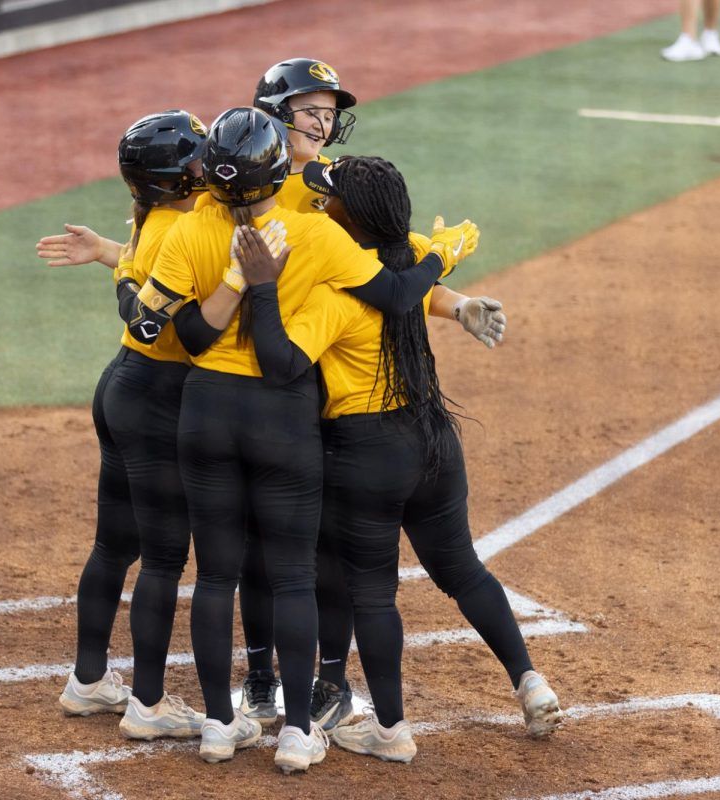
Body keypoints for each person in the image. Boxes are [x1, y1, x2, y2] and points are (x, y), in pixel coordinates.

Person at [126, 107, 477, 773]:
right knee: (292, 575)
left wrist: (227, 285)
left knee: (216, 575)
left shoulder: (186, 231)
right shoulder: (314, 232)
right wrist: (442, 253)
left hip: (203, 414)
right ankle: (295, 733)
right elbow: (399, 293)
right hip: (282, 418)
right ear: (279, 172)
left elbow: (160, 333)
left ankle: (219, 726)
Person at [232, 155, 560, 764]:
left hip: (367, 453)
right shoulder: (407, 256)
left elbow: (280, 363)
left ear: (351, 220)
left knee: (374, 595)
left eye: (331, 201)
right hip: (435, 438)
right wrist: (453, 288)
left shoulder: (336, 293)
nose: (321, 205)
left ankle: (391, 730)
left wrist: (262, 291)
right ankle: (529, 680)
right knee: (464, 570)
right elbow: (421, 275)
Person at [54, 109, 244, 742]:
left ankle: (87, 682)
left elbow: (139, 290)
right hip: (159, 400)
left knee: (115, 544)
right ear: (177, 178)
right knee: (164, 557)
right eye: (195, 161)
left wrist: (111, 255)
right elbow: (161, 315)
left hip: (121, 389)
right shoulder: (185, 228)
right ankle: (149, 703)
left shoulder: (151, 219)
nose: (206, 166)